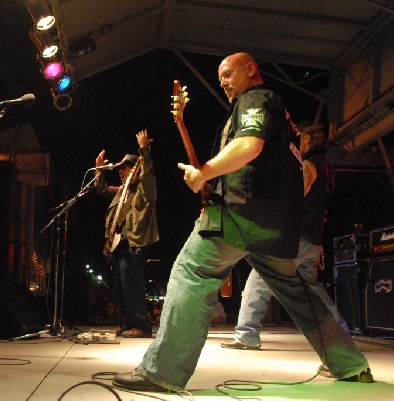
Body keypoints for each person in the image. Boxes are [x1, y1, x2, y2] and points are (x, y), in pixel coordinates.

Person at [112, 52, 372, 392]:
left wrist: (204, 172)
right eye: (218, 76)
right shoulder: (279, 116)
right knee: (300, 294)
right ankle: (351, 365)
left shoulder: (257, 98)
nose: (221, 80)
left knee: (192, 273)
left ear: (251, 69)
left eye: (227, 72)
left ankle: (163, 373)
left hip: (238, 215)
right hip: (275, 228)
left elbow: (248, 146)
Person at [221, 121, 348, 351]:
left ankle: (247, 334)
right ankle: (341, 330)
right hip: (313, 238)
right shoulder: (328, 167)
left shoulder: (309, 165)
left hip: (295, 237)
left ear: (307, 140)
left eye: (300, 137)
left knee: (259, 278)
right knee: (312, 290)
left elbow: (295, 197)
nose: (297, 141)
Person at [94, 129, 159, 338]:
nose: (121, 172)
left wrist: (144, 150)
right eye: (120, 169)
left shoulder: (144, 188)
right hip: (119, 244)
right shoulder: (122, 192)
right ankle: (124, 323)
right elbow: (102, 190)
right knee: (119, 286)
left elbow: (147, 170)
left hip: (135, 241)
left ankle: (141, 325)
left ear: (135, 169)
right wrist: (98, 169)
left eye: (125, 168)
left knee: (132, 286)